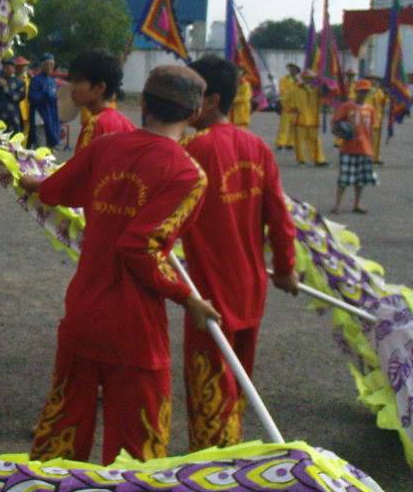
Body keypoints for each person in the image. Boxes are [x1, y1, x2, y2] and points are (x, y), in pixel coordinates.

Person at [21, 65, 220, 464]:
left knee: (61, 436)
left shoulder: (107, 146)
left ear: (143, 103)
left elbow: (55, 190)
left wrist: (21, 177)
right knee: (136, 450)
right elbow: (140, 247)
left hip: (83, 312)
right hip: (135, 328)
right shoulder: (187, 174)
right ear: (194, 114)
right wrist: (187, 299)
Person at [181, 56, 298, 450]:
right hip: (251, 288)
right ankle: (235, 454)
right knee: (237, 382)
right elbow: (279, 217)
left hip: (211, 295)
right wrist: (285, 269)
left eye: (191, 95)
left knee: (210, 390)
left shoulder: (192, 150)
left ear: (211, 100)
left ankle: (218, 468)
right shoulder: (256, 146)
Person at [67, 50, 133, 153]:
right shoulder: (126, 123)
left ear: (99, 87)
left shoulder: (95, 125)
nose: (72, 89)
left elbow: (82, 168)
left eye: (77, 82)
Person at [331, 79, 378, 215]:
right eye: (361, 91)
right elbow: (335, 122)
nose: (363, 94)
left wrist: (372, 149)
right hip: (348, 148)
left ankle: (357, 204)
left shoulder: (370, 109)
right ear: (356, 91)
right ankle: (337, 205)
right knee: (344, 178)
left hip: (365, 148)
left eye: (365, 91)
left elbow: (372, 130)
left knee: (360, 179)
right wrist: (340, 132)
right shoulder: (346, 106)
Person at [293, 69, 326, 166]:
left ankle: (319, 159)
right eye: (306, 78)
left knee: (315, 141)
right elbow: (287, 101)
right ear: (303, 78)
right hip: (300, 119)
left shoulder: (316, 91)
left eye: (310, 79)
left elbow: (323, 98)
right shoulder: (296, 89)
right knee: (299, 141)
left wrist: (324, 85)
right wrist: (292, 109)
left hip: (313, 119)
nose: (308, 80)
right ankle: (301, 159)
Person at [28, 53, 60, 149]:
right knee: (41, 147)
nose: (50, 67)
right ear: (42, 65)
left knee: (51, 145)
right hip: (40, 118)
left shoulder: (52, 81)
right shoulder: (36, 80)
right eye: (47, 64)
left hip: (51, 117)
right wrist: (45, 95)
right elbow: (32, 98)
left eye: (52, 64)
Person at [0, 58, 26, 132]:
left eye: (7, 67)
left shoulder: (19, 82)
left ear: (13, 68)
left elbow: (17, 98)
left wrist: (6, 87)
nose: (5, 69)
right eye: (4, 67)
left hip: (12, 117)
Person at [275, 64, 300, 150]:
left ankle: (290, 143)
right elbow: (282, 91)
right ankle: (280, 143)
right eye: (291, 69)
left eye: (295, 69)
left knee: (293, 126)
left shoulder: (299, 81)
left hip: (296, 107)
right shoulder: (283, 79)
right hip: (286, 106)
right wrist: (292, 91)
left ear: (297, 72)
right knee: (284, 126)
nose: (293, 70)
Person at [367, 76, 388, 164]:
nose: (374, 81)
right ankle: (368, 157)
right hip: (368, 119)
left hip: (377, 119)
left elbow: (385, 101)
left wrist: (386, 94)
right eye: (372, 79)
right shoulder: (367, 91)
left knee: (376, 140)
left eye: (375, 80)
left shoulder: (378, 91)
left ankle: (375, 157)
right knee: (368, 139)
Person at [14, 56, 31, 134]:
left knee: (25, 131)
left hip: (26, 108)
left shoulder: (29, 79)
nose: (22, 68)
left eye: (24, 66)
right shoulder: (12, 79)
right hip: (15, 109)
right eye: (20, 66)